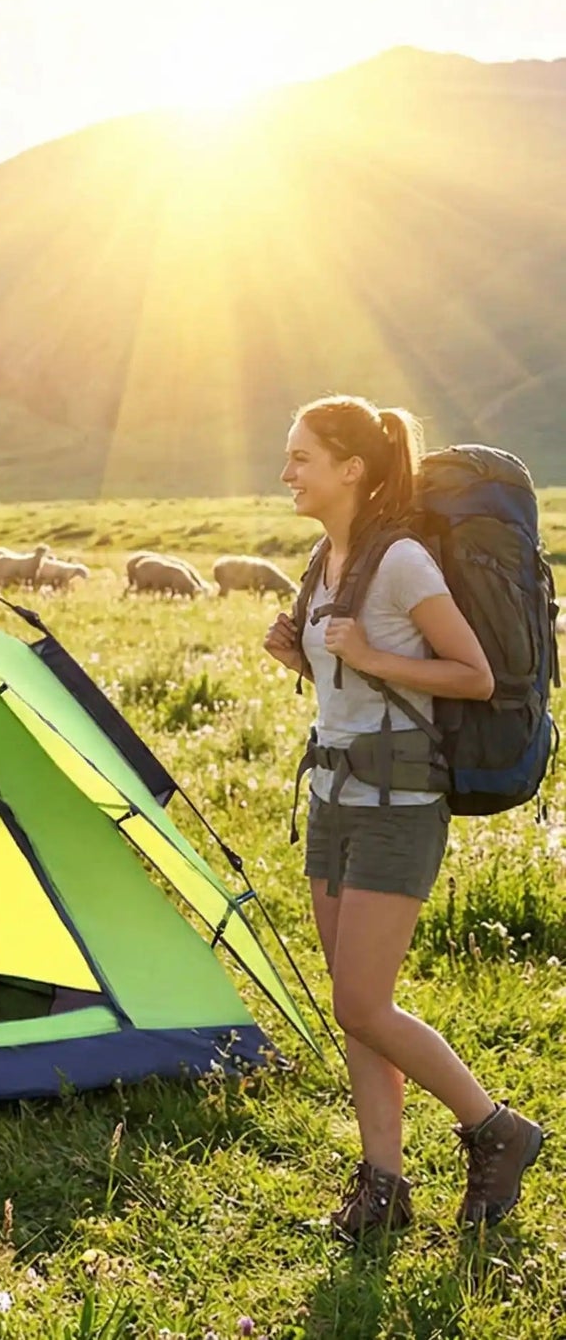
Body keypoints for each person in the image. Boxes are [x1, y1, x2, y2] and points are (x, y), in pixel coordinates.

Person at [264, 396, 544, 1238]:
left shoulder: (403, 562)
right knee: (357, 1005)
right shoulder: (325, 559)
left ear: (351, 467)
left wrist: (366, 653)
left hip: (399, 805)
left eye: (301, 456)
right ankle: (382, 1183)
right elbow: (355, 690)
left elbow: (473, 674)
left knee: (361, 1003)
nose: (287, 472)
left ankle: (496, 1127)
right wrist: (304, 660)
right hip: (332, 800)